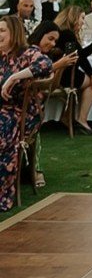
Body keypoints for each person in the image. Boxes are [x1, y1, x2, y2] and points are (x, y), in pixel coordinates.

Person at [0, 15, 64, 210]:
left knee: (3, 127)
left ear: (14, 33)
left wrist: (14, 77)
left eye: (2, 31)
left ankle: (4, 193)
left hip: (21, 112)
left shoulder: (27, 53)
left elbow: (45, 65)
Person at [46, 7, 92, 133]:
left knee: (88, 79)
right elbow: (81, 56)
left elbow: (80, 56)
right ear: (74, 18)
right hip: (63, 74)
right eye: (82, 18)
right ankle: (82, 120)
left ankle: (67, 117)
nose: (83, 22)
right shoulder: (67, 34)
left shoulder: (61, 31)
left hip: (58, 72)